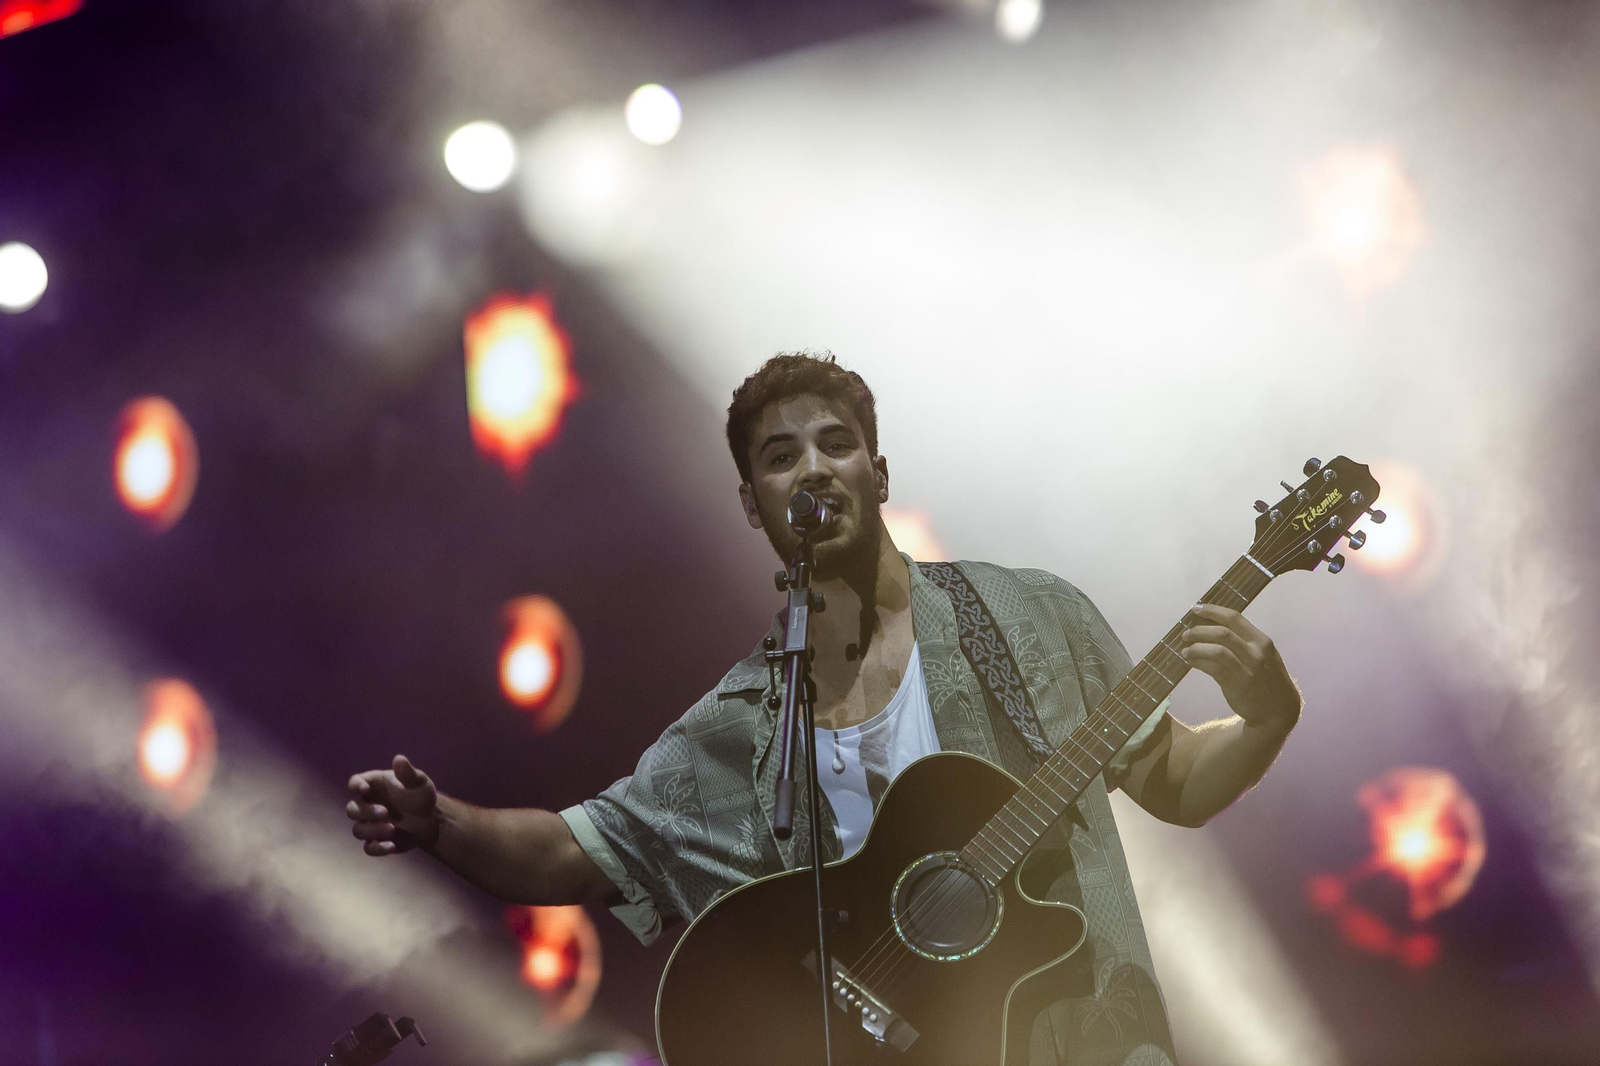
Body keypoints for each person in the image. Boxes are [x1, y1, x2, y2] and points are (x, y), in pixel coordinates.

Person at [347, 352, 1303, 1065]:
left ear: (878, 478)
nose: (812, 469)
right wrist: (442, 825)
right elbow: (582, 850)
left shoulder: (1028, 614)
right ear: (751, 502)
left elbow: (1174, 781)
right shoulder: (744, 720)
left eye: (836, 445)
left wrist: (1265, 715)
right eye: (780, 456)